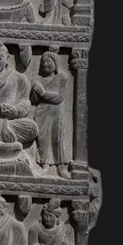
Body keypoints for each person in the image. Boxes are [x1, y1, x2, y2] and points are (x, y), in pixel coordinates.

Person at [31, 46, 70, 178]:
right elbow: (34, 100)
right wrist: (35, 92)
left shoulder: (61, 78)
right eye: (43, 62)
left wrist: (43, 93)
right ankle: (45, 165)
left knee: (57, 138)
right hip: (42, 113)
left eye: (49, 62)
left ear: (55, 63)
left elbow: (59, 97)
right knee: (43, 139)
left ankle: (61, 166)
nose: (45, 65)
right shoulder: (38, 79)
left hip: (56, 113)